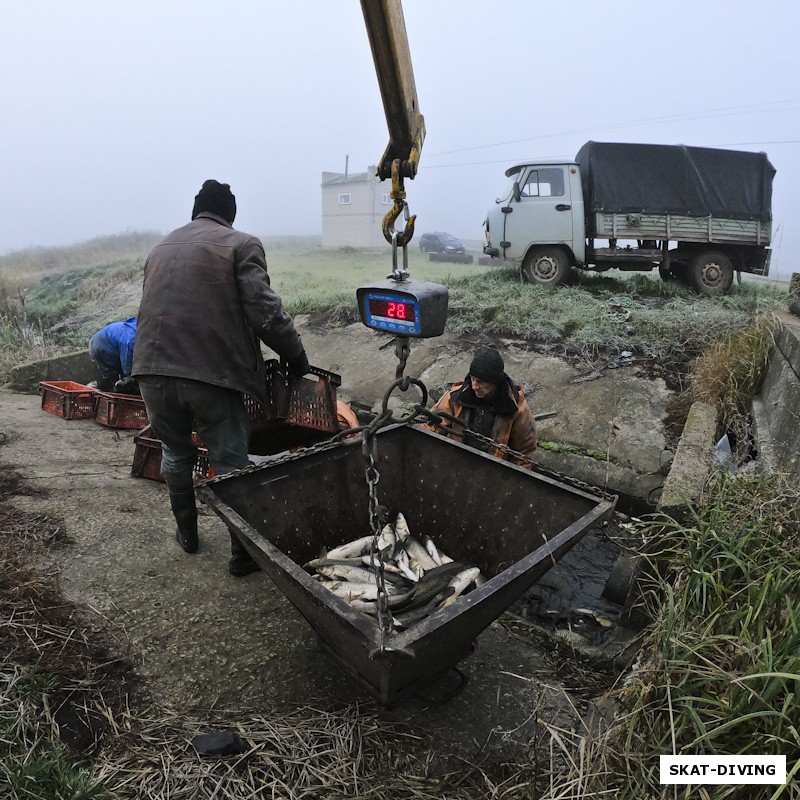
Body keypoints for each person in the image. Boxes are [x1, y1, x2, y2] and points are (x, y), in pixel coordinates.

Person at [132, 179, 311, 577]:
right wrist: (296, 358)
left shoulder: (160, 248)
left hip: (150, 370)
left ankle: (188, 535)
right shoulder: (241, 244)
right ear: (230, 215)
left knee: (177, 453)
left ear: (196, 211)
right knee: (232, 465)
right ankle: (243, 555)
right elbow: (265, 311)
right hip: (210, 375)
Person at [424, 347, 537, 462]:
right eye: (473, 379)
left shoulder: (516, 408)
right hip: (457, 462)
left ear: (495, 382)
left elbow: (525, 452)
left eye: (481, 381)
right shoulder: (456, 397)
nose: (474, 386)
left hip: (492, 469)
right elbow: (431, 427)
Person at [88, 317, 139, 393]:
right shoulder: (130, 339)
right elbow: (127, 365)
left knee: (122, 379)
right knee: (109, 380)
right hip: (102, 345)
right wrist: (129, 377)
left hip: (110, 342)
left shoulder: (138, 328)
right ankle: (102, 395)